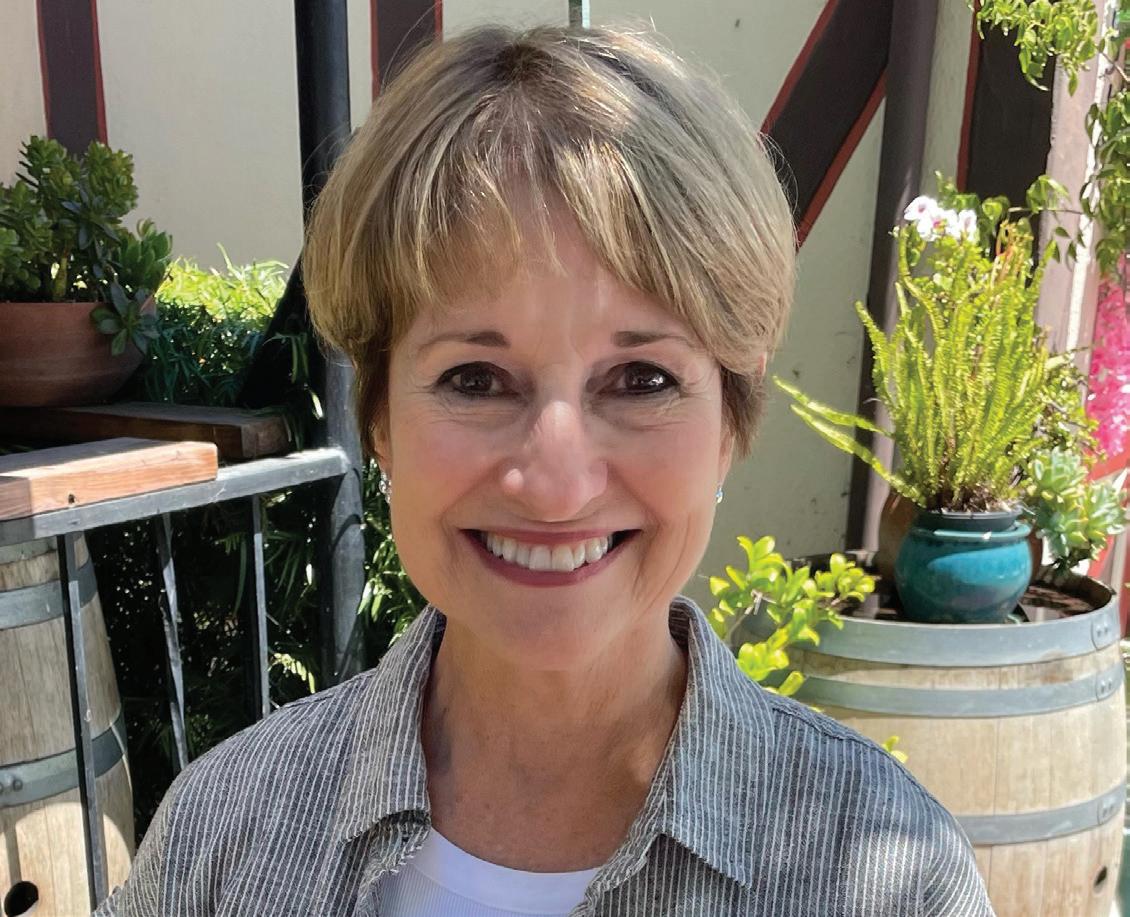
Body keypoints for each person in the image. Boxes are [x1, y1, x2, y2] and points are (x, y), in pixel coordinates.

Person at [96, 24, 994, 916]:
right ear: (380, 419)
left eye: (641, 379)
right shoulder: (223, 836)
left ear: (730, 420)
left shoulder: (890, 883)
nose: (558, 486)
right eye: (475, 379)